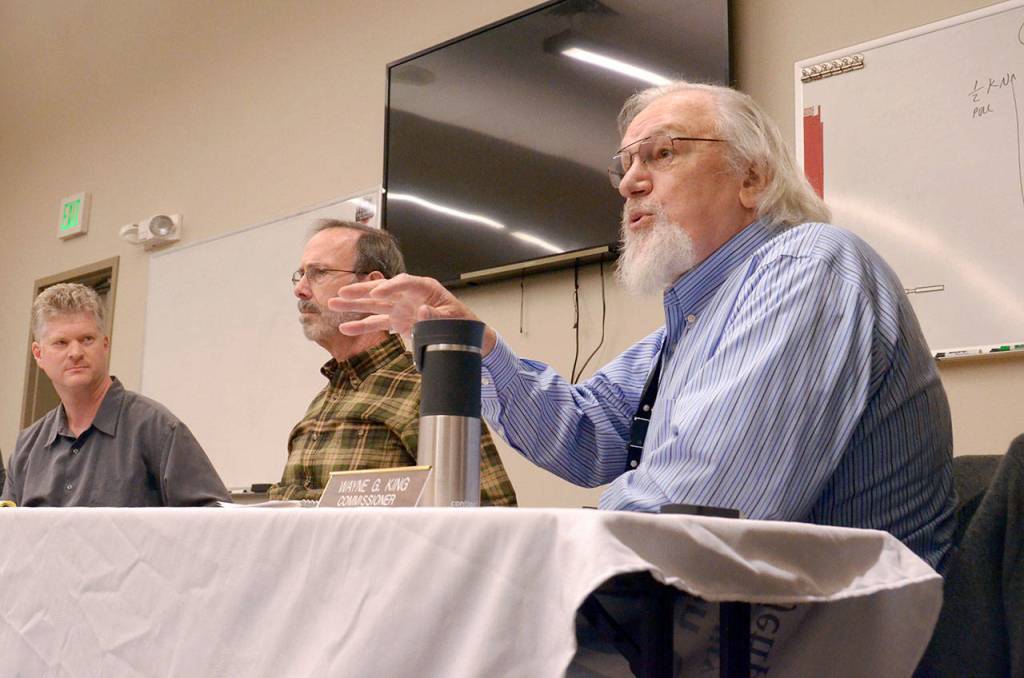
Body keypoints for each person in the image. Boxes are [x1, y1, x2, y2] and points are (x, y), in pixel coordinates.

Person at [328, 81, 956, 570]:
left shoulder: (808, 265)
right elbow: (586, 434)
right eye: (624, 164)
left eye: (663, 153)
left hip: (827, 645)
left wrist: (541, 547)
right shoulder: (689, 322)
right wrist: (476, 344)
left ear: (753, 177)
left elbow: (703, 512)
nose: (630, 182)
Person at [267, 220, 516, 505]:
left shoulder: (426, 390)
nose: (300, 290)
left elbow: (491, 513)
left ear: (373, 285)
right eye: (300, 275)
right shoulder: (321, 402)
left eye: (318, 273)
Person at [2, 283, 230, 506]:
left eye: (86, 339)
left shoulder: (156, 428)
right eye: (61, 343)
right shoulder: (27, 446)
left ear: (105, 344)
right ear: (38, 354)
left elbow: (217, 524)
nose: (75, 352)